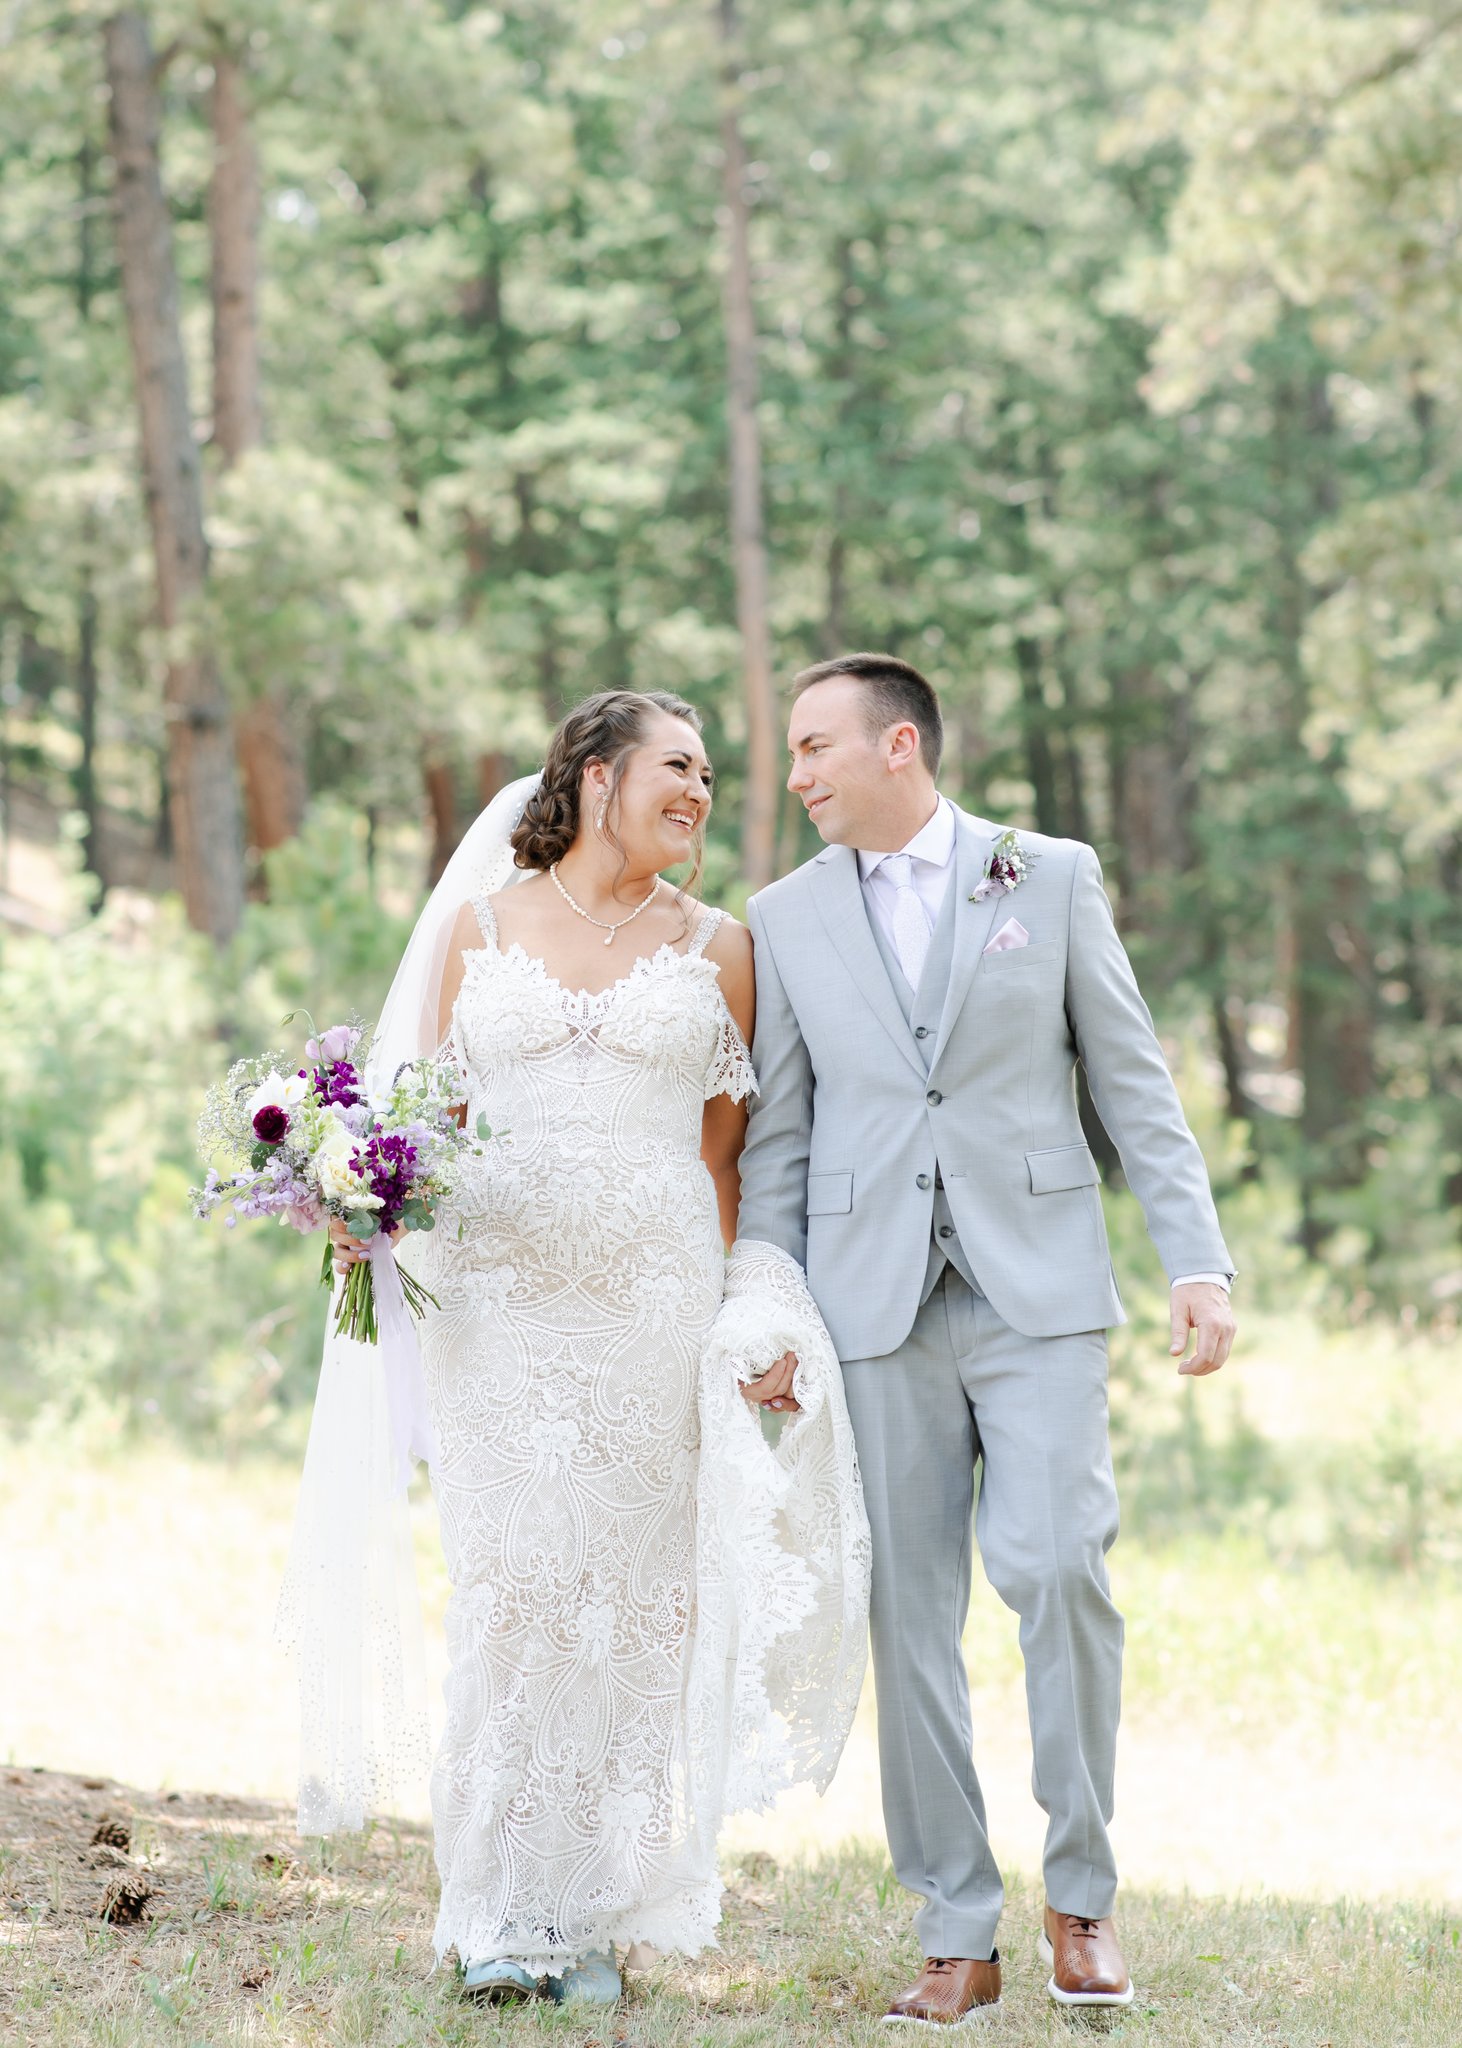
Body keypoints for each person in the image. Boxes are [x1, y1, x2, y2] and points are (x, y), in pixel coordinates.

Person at [301, 689, 868, 2008]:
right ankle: (494, 1907)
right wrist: (358, 1202)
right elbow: (421, 1116)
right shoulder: (476, 928)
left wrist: (747, 1312)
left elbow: (727, 1155)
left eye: (712, 775)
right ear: (594, 777)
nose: (702, 791)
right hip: (497, 1312)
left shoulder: (719, 945)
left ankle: (596, 1912)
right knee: (511, 1594)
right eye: (678, 766)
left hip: (649, 1312)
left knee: (627, 1608)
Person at [735, 652, 1236, 2023]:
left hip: (1039, 1295)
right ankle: (955, 1923)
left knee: (1059, 1566)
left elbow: (1131, 1081)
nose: (793, 775)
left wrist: (1193, 1259)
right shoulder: (778, 919)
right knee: (906, 1613)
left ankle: (1081, 1897)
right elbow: (780, 1134)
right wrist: (765, 1311)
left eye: (812, 747)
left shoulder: (1049, 877)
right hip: (865, 1302)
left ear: (899, 746)